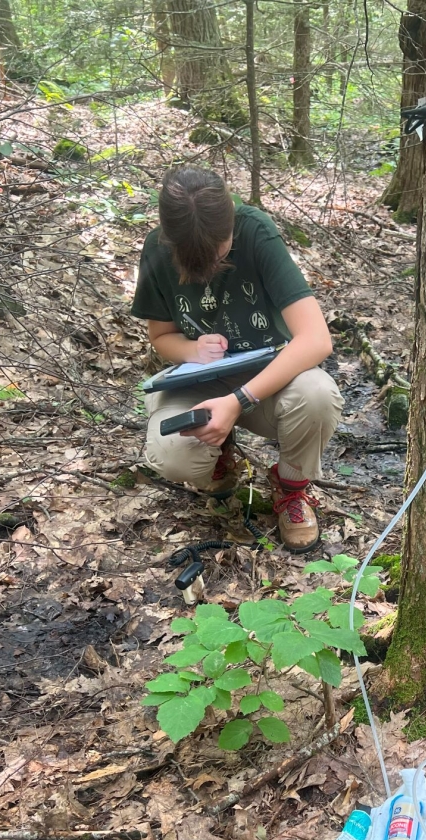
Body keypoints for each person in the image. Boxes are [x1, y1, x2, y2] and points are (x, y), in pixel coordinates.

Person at [132, 167, 343, 552]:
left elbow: (316, 340)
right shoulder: (157, 249)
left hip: (268, 382)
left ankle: (291, 488)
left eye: (220, 251)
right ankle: (220, 465)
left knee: (317, 396)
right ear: (168, 237)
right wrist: (192, 349)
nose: (210, 262)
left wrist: (237, 402)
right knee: (172, 456)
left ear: (231, 216)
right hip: (198, 383)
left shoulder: (255, 231)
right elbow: (161, 337)